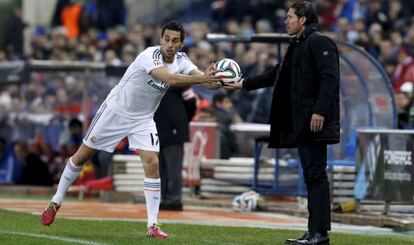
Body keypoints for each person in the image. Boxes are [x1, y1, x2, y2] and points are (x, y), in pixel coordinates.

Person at [41, 20, 222, 238]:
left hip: (143, 118)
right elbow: (170, 79)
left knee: (152, 162)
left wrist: (223, 80)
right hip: (115, 111)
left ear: (182, 44)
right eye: (166, 39)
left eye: (175, 41)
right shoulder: (149, 55)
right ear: (160, 39)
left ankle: (152, 225)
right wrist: (203, 78)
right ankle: (56, 201)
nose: (170, 44)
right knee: (81, 157)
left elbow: (206, 81)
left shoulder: (182, 60)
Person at [225, 2, 340, 244]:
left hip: (313, 121)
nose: (285, 21)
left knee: (316, 175)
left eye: (289, 17)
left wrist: (319, 112)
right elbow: (276, 74)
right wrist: (243, 84)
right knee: (311, 175)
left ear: (303, 19)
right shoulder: (297, 45)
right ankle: (314, 231)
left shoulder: (319, 42)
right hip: (301, 122)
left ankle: (320, 233)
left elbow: (330, 80)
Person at [155, 86, 196, 211]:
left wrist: (179, 121)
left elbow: (191, 104)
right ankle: (165, 198)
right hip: (160, 129)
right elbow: (191, 105)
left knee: (172, 169)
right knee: (161, 168)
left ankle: (173, 199)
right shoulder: (177, 82)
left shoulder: (181, 83)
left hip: (171, 131)